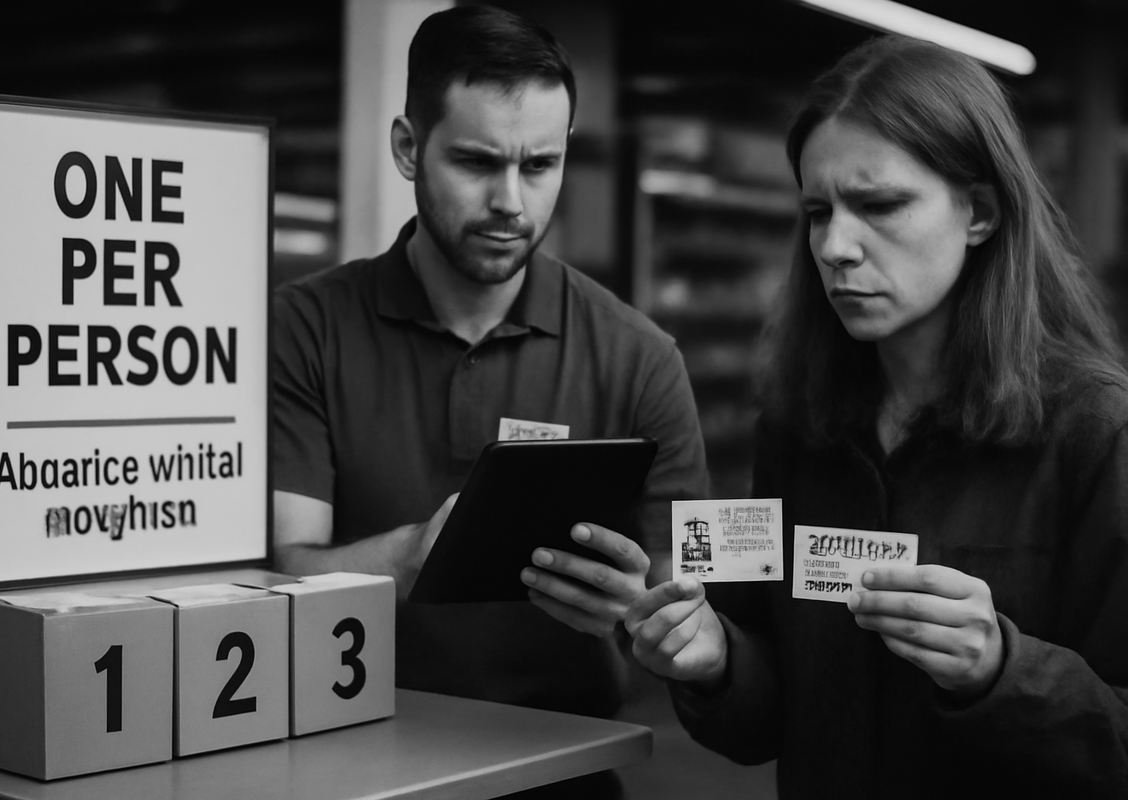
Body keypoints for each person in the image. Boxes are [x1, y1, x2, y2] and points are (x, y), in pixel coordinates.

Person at [595, 35, 1127, 799]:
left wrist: (1002, 670)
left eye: (879, 205)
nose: (835, 246)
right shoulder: (803, 426)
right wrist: (713, 658)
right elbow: (767, 718)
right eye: (817, 211)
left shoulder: (1094, 431)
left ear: (979, 211)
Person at [271, 6, 708, 796]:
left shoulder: (640, 358)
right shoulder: (304, 329)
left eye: (539, 165)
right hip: (343, 771)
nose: (511, 200)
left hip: (563, 776)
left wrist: (636, 614)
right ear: (409, 149)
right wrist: (410, 557)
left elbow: (686, 608)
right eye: (477, 162)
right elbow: (277, 575)